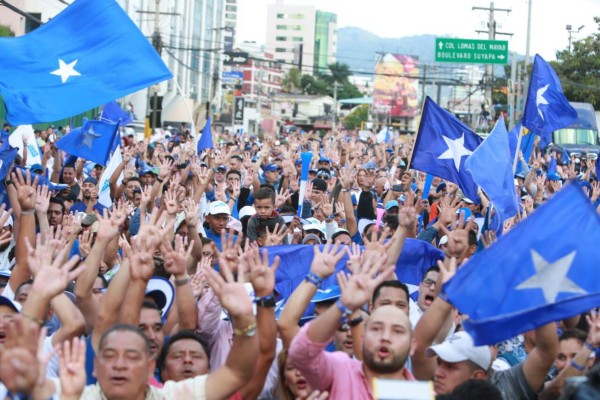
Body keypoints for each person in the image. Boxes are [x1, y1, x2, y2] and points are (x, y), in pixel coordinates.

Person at [288, 252, 413, 399]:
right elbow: (301, 354)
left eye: (397, 331)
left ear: (413, 345)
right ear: (362, 337)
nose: (385, 337)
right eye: (376, 329)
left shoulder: (419, 395)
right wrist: (342, 306)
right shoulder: (340, 369)